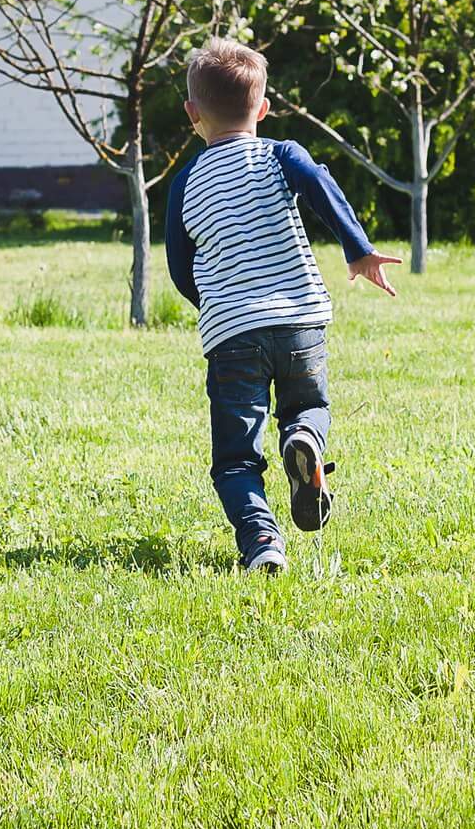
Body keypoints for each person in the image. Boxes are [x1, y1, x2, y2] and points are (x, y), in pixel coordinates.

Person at [164, 38, 400, 574]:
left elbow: (181, 268)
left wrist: (212, 302)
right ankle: (302, 439)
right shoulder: (281, 155)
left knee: (235, 457)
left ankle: (262, 543)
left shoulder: (183, 186)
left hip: (231, 335)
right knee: (308, 406)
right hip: (299, 321)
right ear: (264, 110)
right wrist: (358, 250)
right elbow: (319, 183)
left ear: (192, 114)